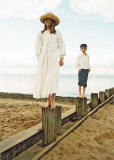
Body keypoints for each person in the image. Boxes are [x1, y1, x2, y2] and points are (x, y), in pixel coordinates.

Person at [33, 12, 66, 109]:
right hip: (43, 59)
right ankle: (48, 101)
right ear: (44, 22)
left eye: (49, 20)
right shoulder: (41, 33)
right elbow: (38, 47)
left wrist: (62, 57)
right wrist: (39, 58)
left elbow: (62, 45)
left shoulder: (57, 33)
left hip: (54, 58)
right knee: (45, 79)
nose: (47, 21)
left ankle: (53, 101)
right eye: (46, 20)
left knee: (53, 79)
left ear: (53, 22)